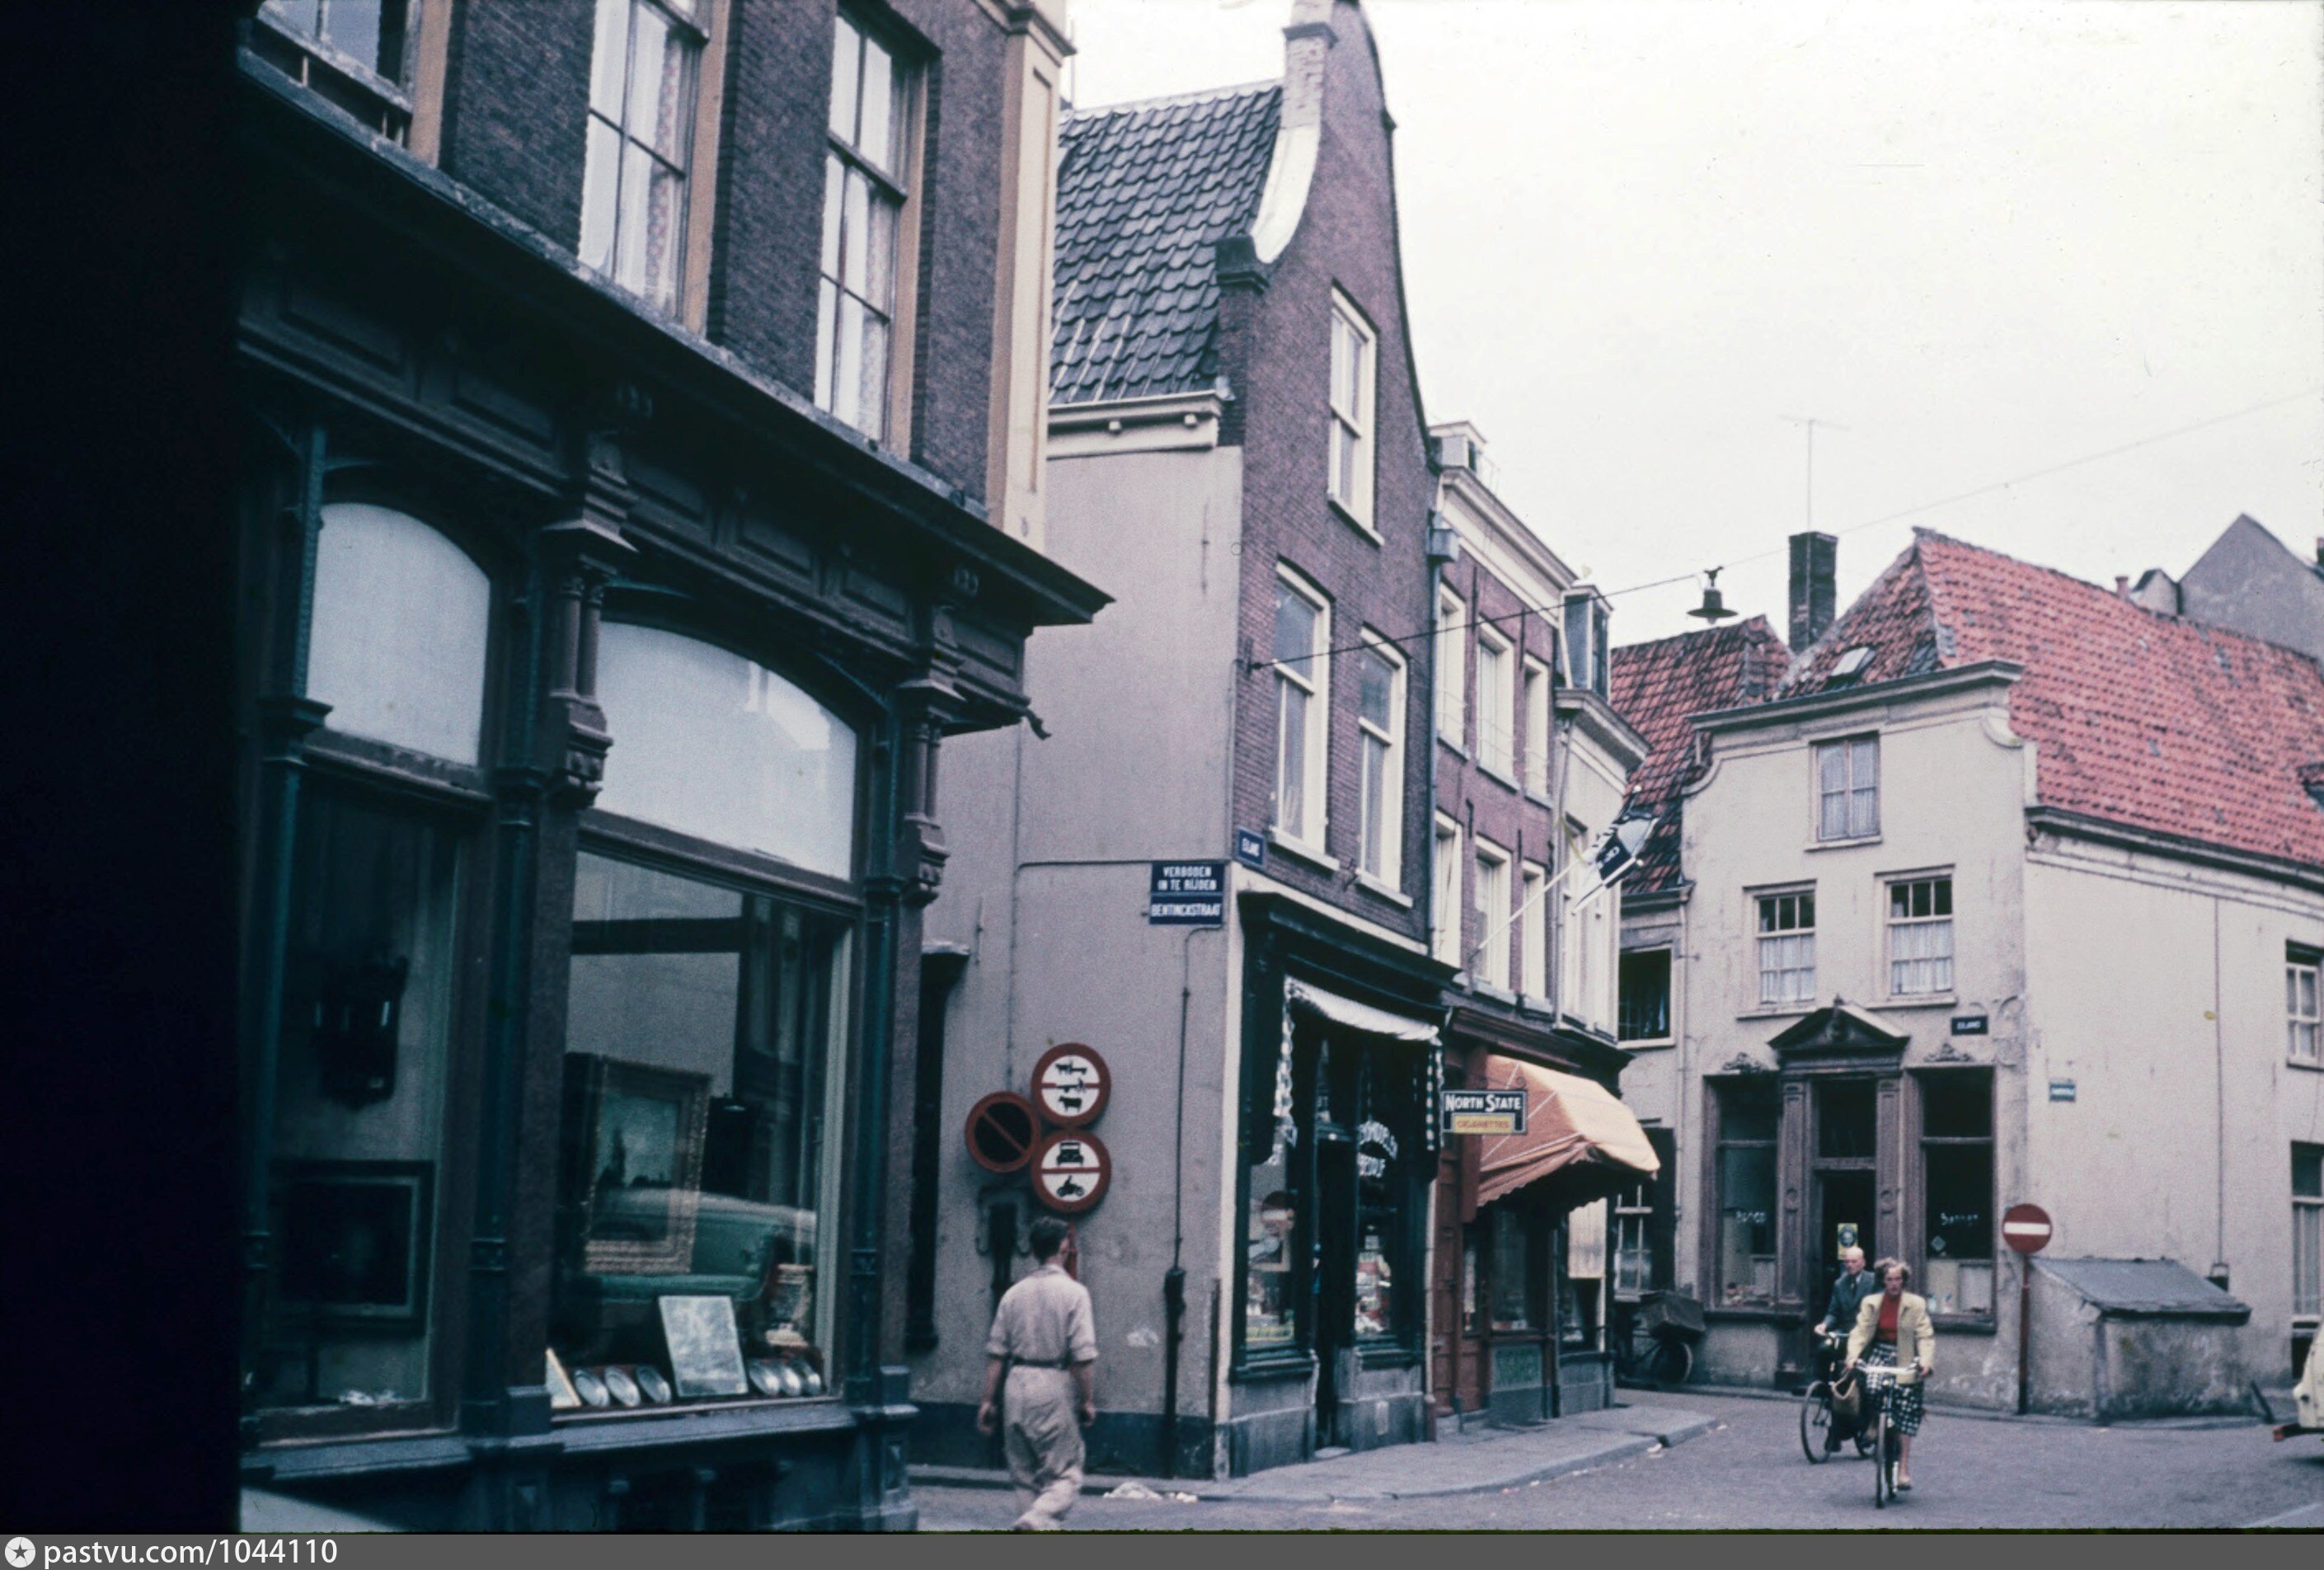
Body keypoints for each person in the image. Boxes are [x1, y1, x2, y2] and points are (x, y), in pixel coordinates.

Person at [977, 1215, 1098, 1530]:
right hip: (1052, 1382)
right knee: (1065, 1474)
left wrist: (987, 1401)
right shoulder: (1074, 1293)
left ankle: (1031, 1530)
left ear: (1033, 1250)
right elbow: (1083, 1356)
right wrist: (1087, 1400)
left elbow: (996, 1353)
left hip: (1015, 1383)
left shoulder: (1013, 1294)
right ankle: (1037, 1519)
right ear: (1063, 1247)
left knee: (1024, 1476)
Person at [1843, 1257, 1935, 1490]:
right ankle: (1875, 1421)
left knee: (1906, 1410)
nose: (1894, 1284)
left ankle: (1903, 1469)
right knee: (1872, 1385)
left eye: (1897, 1279)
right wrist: (1853, 1356)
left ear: (1903, 1281)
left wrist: (1925, 1361)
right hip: (1880, 1353)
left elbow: (1924, 1335)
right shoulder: (1871, 1303)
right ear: (1882, 1281)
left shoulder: (1916, 1304)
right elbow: (1860, 1331)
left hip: (1906, 1356)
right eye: (1889, 1280)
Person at [1816, 1245, 1878, 1452]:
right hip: (1845, 1334)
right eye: (1847, 1262)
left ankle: (1866, 1425)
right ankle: (1825, 1390)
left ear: (1863, 1263)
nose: (1850, 1265)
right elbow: (1834, 1312)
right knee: (1824, 1351)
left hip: (1866, 1337)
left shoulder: (1873, 1281)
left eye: (1854, 1261)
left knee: (1862, 1378)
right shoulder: (1839, 1283)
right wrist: (1825, 1325)